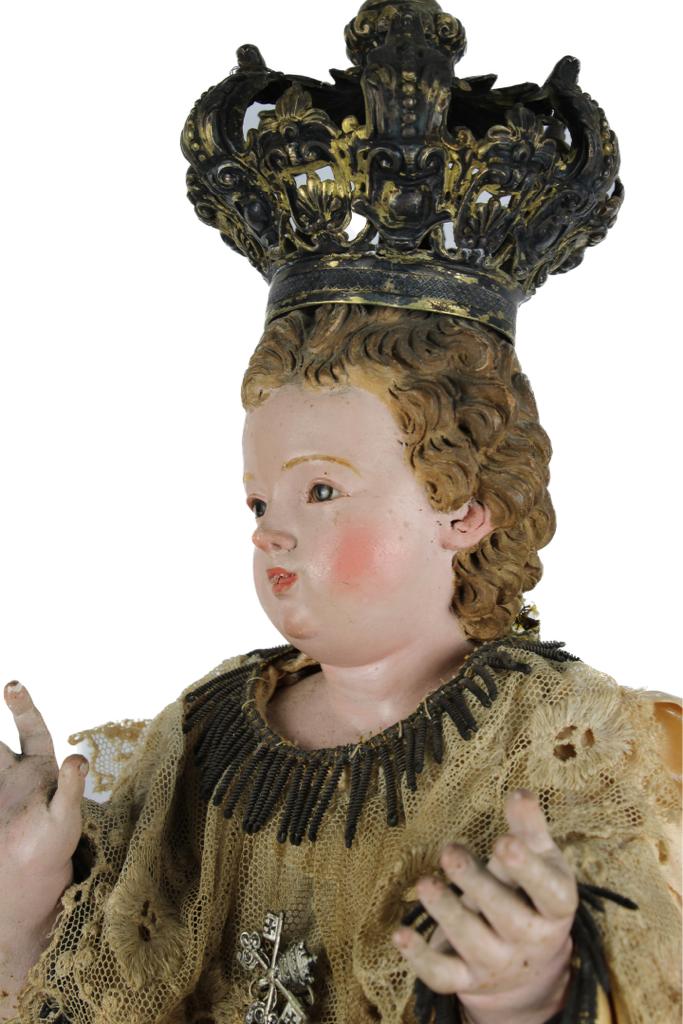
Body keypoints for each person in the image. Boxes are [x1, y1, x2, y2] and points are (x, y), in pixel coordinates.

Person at [1, 2, 681, 1022]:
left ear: (464, 505)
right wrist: (22, 903)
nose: (268, 530)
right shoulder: (196, 739)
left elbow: (638, 951)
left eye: (320, 490)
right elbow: (108, 984)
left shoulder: (560, 737)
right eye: (259, 498)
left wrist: (528, 984)